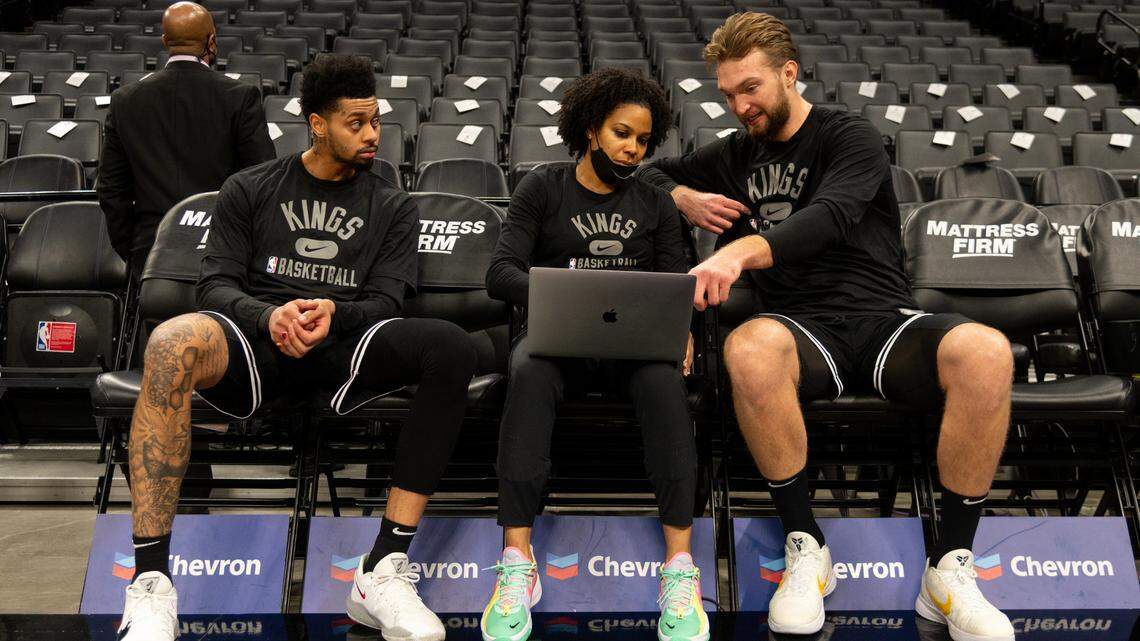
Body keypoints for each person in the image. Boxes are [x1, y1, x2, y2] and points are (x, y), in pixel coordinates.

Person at [639, 13, 1016, 641]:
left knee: (985, 350)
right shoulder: (734, 154)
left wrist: (737, 250)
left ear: (790, 73)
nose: (740, 105)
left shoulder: (850, 136)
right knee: (748, 346)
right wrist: (681, 198)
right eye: (728, 94)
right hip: (801, 330)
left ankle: (950, 568)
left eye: (751, 88)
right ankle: (806, 547)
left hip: (883, 322)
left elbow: (830, 218)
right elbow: (642, 170)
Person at [116, 54, 476, 641]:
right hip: (257, 346)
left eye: (375, 122)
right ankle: (151, 584)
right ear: (316, 123)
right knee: (169, 339)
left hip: (345, 351)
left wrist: (333, 313)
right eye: (354, 123)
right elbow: (215, 285)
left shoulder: (391, 204)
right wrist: (270, 315)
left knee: (451, 347)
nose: (370, 135)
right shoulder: (250, 188)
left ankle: (382, 568)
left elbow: (388, 303)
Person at [481, 68, 708, 641]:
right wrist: (563, 291)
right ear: (590, 130)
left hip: (634, 349)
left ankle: (679, 569)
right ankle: (517, 564)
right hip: (558, 343)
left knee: (665, 386)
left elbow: (675, 282)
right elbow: (499, 273)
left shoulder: (656, 204)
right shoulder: (543, 188)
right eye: (621, 134)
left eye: (641, 140)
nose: (632, 149)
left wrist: (680, 326)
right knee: (528, 374)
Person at [97, 1, 275, 273]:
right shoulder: (240, 96)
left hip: (151, 250)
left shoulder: (125, 101)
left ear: (165, 41)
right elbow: (262, 180)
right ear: (212, 42)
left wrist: (133, 250)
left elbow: (111, 189)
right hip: (222, 248)